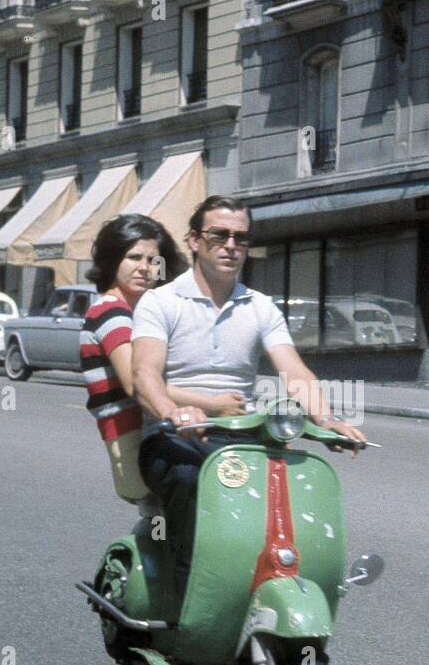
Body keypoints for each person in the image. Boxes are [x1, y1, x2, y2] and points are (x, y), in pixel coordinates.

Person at [131, 194, 366, 595]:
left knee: (294, 481)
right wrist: (173, 412)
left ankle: (281, 572)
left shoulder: (260, 307)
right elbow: (144, 374)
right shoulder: (160, 301)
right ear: (193, 240)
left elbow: (293, 370)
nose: (231, 246)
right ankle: (192, 591)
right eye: (219, 235)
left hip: (241, 435)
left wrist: (326, 420)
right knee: (189, 478)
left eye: (241, 238)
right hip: (173, 437)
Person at [81, 213, 247, 504]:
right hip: (134, 443)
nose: (144, 268)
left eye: (152, 260)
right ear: (112, 260)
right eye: (134, 257)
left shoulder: (144, 312)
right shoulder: (112, 312)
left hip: (163, 433)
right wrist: (214, 404)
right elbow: (138, 384)